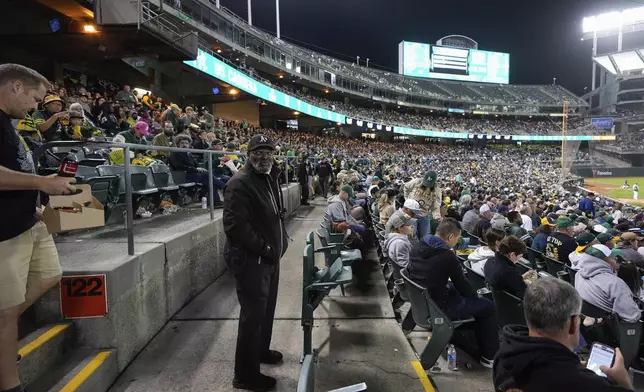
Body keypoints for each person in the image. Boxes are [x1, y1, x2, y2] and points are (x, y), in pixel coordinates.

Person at [0, 64, 77, 392]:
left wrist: (37, 196)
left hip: (28, 220)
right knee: (5, 315)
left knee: (50, 276)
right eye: (34, 98)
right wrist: (42, 182)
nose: (35, 106)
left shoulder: (10, 123)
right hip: (4, 232)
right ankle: (10, 384)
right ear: (15, 86)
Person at [222, 134, 288, 391]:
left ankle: (260, 352)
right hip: (252, 259)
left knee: (266, 310)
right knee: (252, 316)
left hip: (269, 257)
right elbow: (235, 227)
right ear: (248, 155)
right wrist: (265, 248)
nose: (264, 157)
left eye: (268, 152)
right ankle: (245, 376)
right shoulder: (239, 183)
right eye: (258, 152)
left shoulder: (268, 176)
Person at [494, 277, 635, 392]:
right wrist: (623, 381)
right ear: (574, 323)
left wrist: (569, 364)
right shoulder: (588, 385)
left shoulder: (504, 355)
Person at [406, 218, 499, 367]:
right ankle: (489, 357)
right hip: (438, 308)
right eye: (457, 238)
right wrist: (476, 299)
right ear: (450, 237)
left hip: (424, 300)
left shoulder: (419, 244)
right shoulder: (447, 256)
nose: (457, 241)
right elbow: (465, 288)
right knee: (487, 307)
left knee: (454, 289)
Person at [575, 245, 641, 323]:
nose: (616, 259)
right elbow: (632, 317)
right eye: (612, 257)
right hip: (617, 328)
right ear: (603, 261)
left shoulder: (578, 274)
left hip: (596, 327)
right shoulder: (615, 283)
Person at [168, 135, 225, 208]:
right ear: (178, 144)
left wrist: (198, 168)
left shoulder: (188, 154)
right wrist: (196, 169)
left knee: (210, 182)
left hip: (193, 174)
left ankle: (216, 202)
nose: (184, 145)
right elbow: (178, 166)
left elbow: (196, 164)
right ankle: (223, 187)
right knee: (207, 175)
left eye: (186, 143)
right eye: (182, 143)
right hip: (183, 175)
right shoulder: (174, 153)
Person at [403, 171, 442, 240]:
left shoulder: (437, 191)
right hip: (411, 213)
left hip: (423, 214)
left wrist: (436, 215)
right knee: (412, 235)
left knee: (424, 237)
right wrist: (407, 200)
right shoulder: (416, 182)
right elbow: (406, 187)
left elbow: (435, 206)